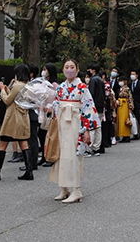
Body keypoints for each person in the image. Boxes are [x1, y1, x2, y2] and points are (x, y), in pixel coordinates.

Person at [49, 59, 100, 203]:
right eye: (66, 67)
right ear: (63, 70)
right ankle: (64, 188)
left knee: (74, 156)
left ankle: (76, 189)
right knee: (62, 155)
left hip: (76, 122)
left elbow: (88, 107)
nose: (69, 69)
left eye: (72, 67)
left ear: (77, 70)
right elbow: (57, 103)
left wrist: (87, 130)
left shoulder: (82, 87)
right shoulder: (60, 87)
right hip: (62, 123)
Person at [0, 64, 33, 181]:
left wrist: (2, 90)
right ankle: (29, 171)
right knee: (23, 142)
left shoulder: (17, 85)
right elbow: (14, 97)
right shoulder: (28, 85)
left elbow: (7, 100)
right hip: (23, 117)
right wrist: (8, 88)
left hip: (13, 118)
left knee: (3, 143)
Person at [37, 63, 59, 167]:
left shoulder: (54, 85)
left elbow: (57, 99)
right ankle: (44, 156)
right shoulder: (44, 82)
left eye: (46, 69)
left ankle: (50, 156)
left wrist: (51, 108)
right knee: (41, 134)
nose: (44, 71)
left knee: (49, 135)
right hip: (43, 112)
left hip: (50, 112)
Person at [19, 64, 40, 172]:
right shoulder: (36, 84)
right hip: (34, 114)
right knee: (32, 138)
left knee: (31, 138)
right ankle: (32, 162)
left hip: (32, 113)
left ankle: (32, 163)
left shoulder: (32, 85)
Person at [86, 63, 105, 156]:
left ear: (93, 70)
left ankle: (90, 148)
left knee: (92, 127)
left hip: (94, 106)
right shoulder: (101, 80)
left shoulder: (93, 80)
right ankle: (97, 147)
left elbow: (91, 93)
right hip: (101, 105)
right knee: (98, 127)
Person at [117, 76, 134, 143]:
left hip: (125, 105)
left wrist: (130, 107)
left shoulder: (127, 89)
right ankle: (122, 135)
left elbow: (130, 98)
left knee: (125, 120)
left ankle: (126, 136)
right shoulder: (120, 89)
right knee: (121, 121)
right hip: (120, 105)